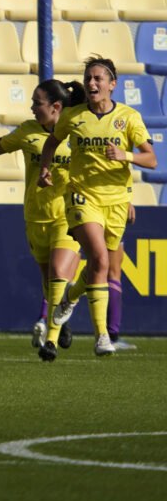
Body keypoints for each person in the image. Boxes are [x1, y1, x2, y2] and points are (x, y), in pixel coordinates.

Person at [38, 56, 156, 357]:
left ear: (111, 85)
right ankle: (102, 337)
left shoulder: (128, 118)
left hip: (115, 200)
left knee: (99, 265)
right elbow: (52, 142)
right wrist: (45, 168)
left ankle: (70, 297)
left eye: (98, 79)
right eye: (89, 78)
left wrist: (125, 156)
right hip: (82, 196)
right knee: (100, 257)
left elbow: (151, 159)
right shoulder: (73, 116)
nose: (91, 83)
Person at [0, 79, 84, 360]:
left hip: (68, 215)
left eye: (37, 102)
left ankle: (51, 340)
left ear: (56, 107)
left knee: (57, 272)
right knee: (48, 281)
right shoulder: (28, 131)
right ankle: (62, 317)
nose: (31, 107)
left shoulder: (77, 131)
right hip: (35, 216)